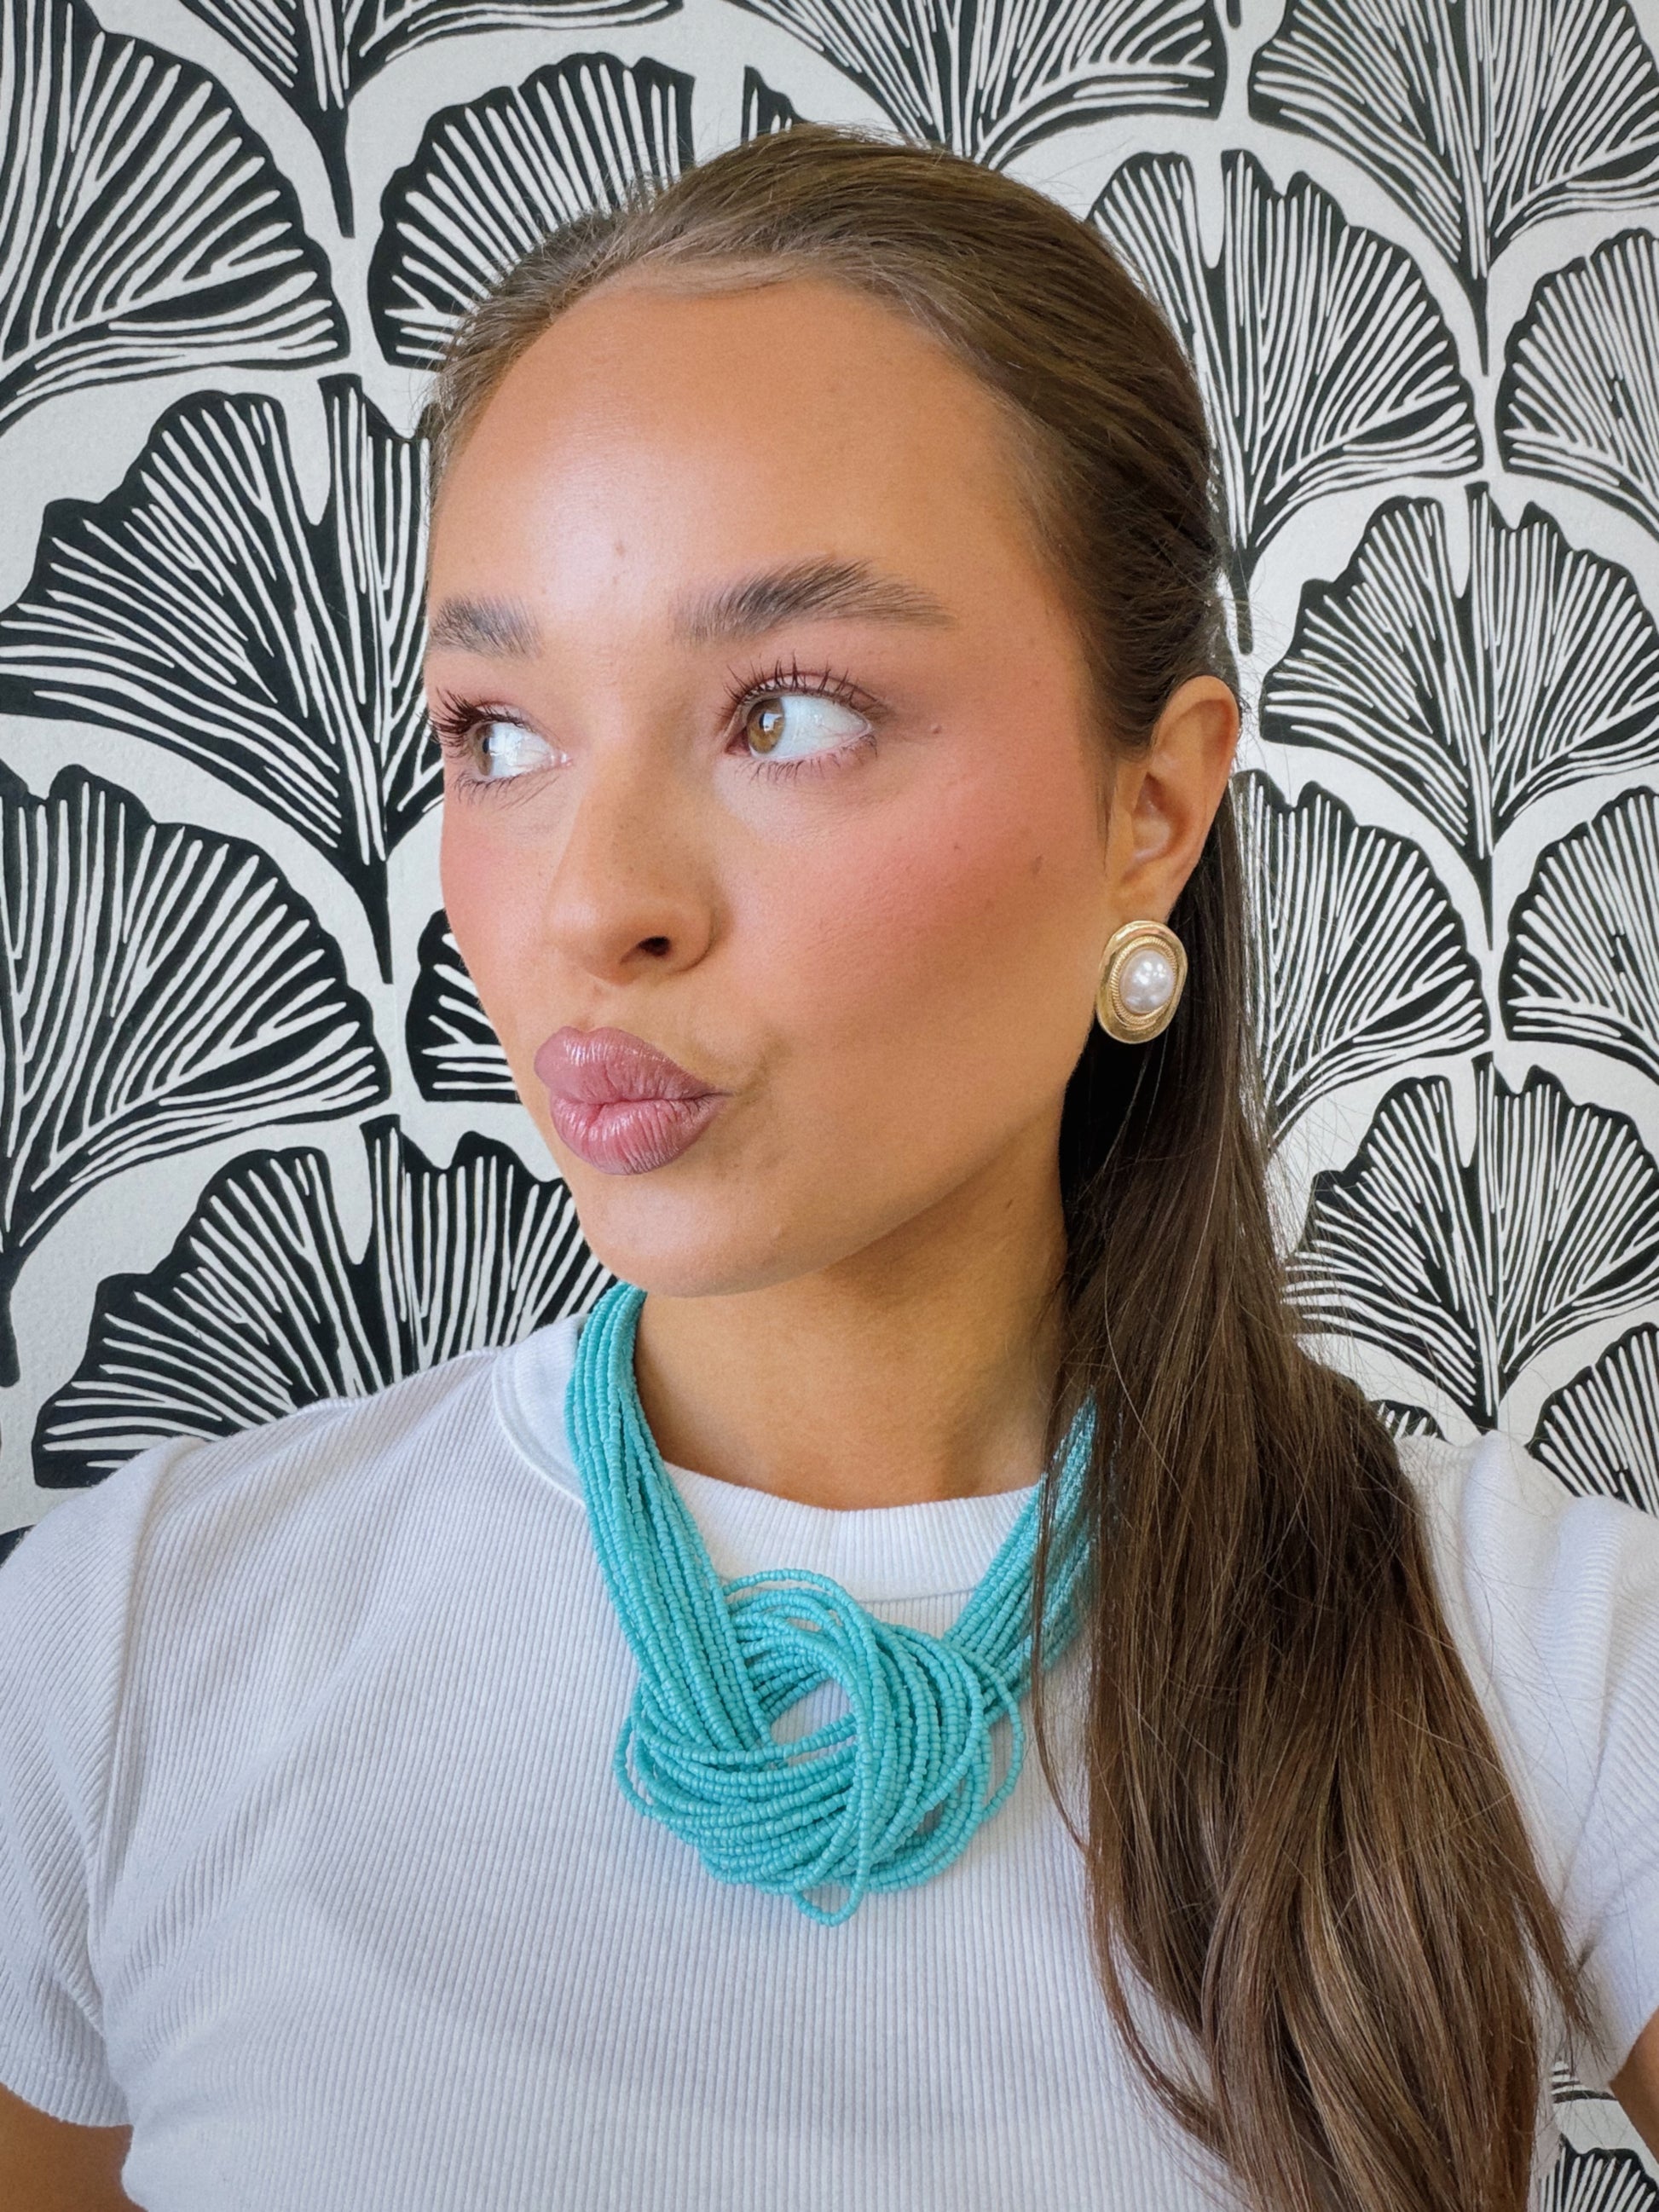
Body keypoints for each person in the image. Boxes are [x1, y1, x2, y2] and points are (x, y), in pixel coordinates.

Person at [2, 121, 1656, 2212]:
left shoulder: (1535, 1651)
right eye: (497, 730)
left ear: (1150, 812)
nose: (590, 901)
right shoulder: (134, 1640)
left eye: (787, 710)